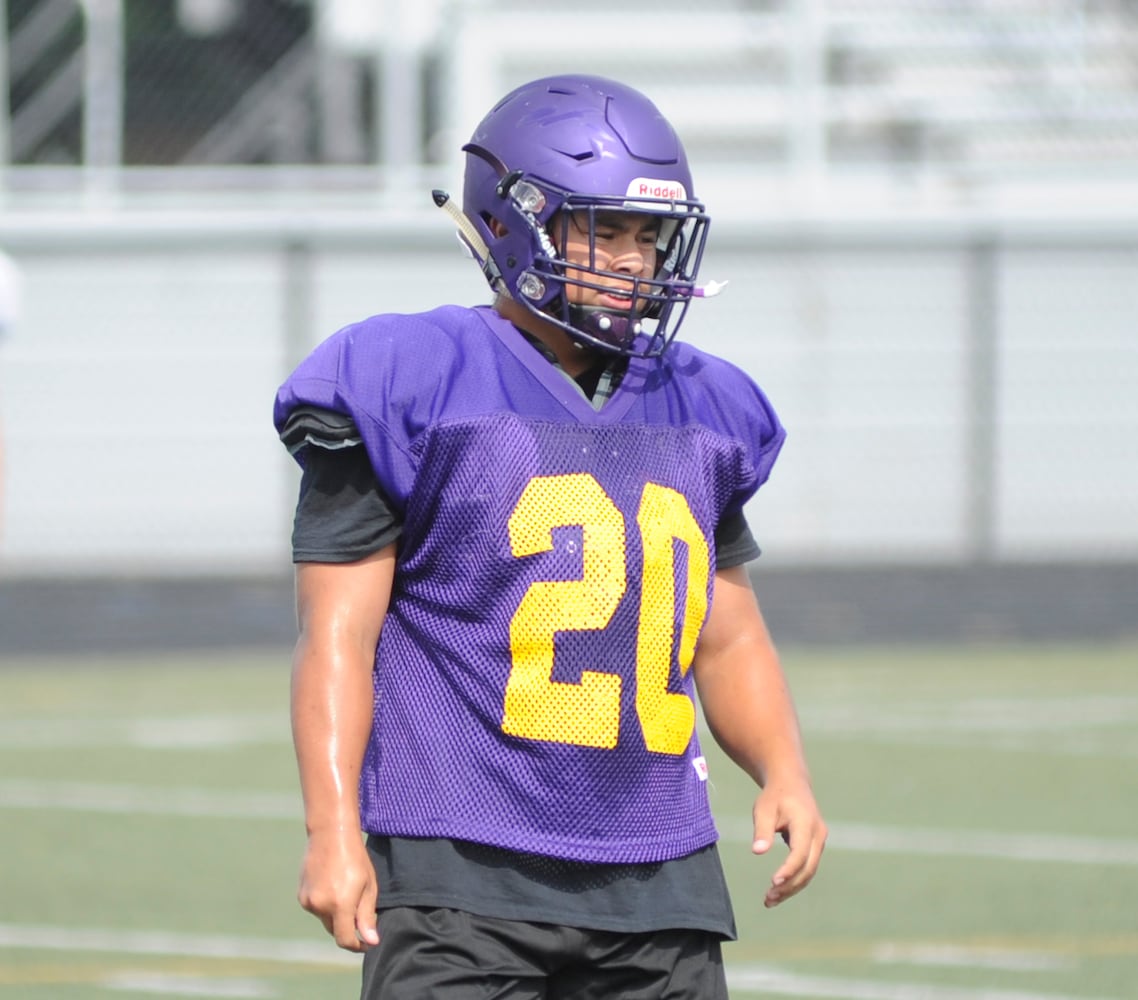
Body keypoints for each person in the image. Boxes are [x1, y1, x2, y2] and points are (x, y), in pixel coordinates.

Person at [274, 73, 826, 999]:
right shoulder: (411, 379)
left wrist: (785, 769)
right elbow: (338, 636)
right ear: (512, 222)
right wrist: (332, 831)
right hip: (462, 869)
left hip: (660, 873)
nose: (633, 261)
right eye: (604, 231)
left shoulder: (703, 405)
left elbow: (726, 630)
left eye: (647, 237)